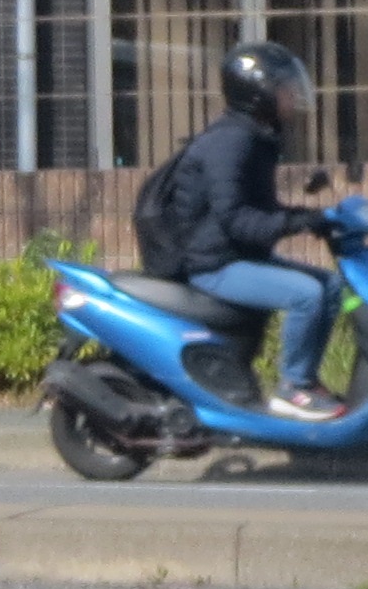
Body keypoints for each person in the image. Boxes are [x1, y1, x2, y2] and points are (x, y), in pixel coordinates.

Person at [145, 40, 341, 418]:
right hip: (213, 265)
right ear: (259, 94)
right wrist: (296, 222)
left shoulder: (255, 139)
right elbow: (236, 221)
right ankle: (293, 388)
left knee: (330, 285)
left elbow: (256, 212)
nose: (294, 95)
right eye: (286, 88)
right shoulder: (230, 143)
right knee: (306, 296)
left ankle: (307, 381)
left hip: (237, 256)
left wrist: (311, 217)